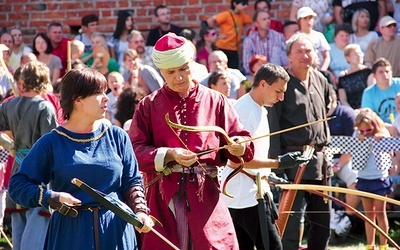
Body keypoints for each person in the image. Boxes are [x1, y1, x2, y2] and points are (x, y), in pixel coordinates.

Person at [130, 33, 254, 249]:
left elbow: (240, 140)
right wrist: (169, 154)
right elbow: (134, 151)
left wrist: (238, 146)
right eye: (171, 72)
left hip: (206, 195)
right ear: (162, 72)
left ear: (192, 65)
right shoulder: (148, 105)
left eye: (183, 69)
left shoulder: (216, 100)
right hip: (163, 196)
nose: (179, 77)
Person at [8, 67, 154, 249]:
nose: (106, 97)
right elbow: (18, 185)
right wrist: (51, 196)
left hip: (115, 231)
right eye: (98, 93)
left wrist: (140, 210)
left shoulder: (117, 136)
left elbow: (132, 180)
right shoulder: (52, 142)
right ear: (78, 101)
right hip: (71, 234)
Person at [222, 63, 309, 250]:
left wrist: (268, 173)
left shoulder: (258, 108)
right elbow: (236, 160)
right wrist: (278, 163)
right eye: (278, 91)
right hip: (245, 196)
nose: (281, 97)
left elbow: (253, 155)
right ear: (263, 84)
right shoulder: (245, 111)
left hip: (251, 192)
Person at [268, 33, 333, 250]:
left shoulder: (321, 79)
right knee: (290, 222)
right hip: (293, 162)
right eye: (299, 51)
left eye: (309, 51)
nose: (305, 55)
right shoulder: (282, 84)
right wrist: (276, 164)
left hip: (320, 162)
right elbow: (273, 126)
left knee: (322, 221)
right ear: (289, 57)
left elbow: (326, 108)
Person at [0, 61, 57, 250]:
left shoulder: (9, 105)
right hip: (38, 172)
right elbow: (52, 145)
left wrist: (12, 146)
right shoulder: (45, 108)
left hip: (18, 169)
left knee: (20, 225)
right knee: (36, 231)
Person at [354, 108, 392, 250]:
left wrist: (381, 137)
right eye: (361, 130)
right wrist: (359, 140)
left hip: (379, 178)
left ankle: (383, 244)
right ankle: (370, 245)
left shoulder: (382, 133)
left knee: (380, 213)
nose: (365, 133)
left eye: (368, 130)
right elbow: (352, 149)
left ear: (374, 125)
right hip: (364, 178)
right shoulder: (357, 135)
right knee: (368, 213)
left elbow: (391, 147)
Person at [207, 0, 252, 69]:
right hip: (223, 47)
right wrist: (217, 35)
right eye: (243, 4)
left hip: (234, 48)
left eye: (246, 4)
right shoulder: (227, 14)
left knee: (234, 70)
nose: (245, 6)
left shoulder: (241, 15)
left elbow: (251, 21)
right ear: (235, 4)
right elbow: (210, 20)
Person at [242, 9, 288, 75]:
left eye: (268, 18)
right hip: (258, 76)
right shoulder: (249, 40)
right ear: (256, 23)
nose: (268, 21)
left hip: (277, 75)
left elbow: (286, 61)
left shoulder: (279, 37)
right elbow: (247, 66)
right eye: (264, 19)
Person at [361, 57, 400, 124]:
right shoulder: (369, 93)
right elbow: (368, 117)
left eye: (387, 72)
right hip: (381, 128)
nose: (385, 75)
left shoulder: (398, 84)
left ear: (392, 73)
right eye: (381, 72)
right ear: (374, 75)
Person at [337, 43, 373, 109]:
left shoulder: (368, 72)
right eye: (356, 54)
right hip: (351, 110)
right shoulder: (343, 76)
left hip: (368, 108)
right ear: (348, 58)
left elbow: (372, 93)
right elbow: (343, 100)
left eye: (360, 53)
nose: (359, 55)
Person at [296, 7, 331, 71]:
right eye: (305, 18)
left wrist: (322, 71)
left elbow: (327, 57)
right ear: (299, 21)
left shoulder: (319, 35)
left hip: (319, 71)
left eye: (310, 18)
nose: (308, 21)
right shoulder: (295, 38)